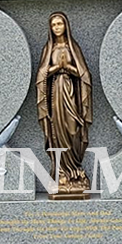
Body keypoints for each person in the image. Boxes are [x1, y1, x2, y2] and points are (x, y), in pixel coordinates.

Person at [35, 11, 92, 192]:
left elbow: (84, 74)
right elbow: (41, 75)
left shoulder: (72, 47)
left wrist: (68, 68)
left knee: (73, 129)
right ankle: (61, 172)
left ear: (66, 25)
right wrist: (54, 69)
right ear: (50, 28)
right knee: (57, 131)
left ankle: (75, 168)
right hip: (55, 94)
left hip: (71, 92)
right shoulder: (48, 49)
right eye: (54, 25)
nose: (57, 27)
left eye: (60, 24)